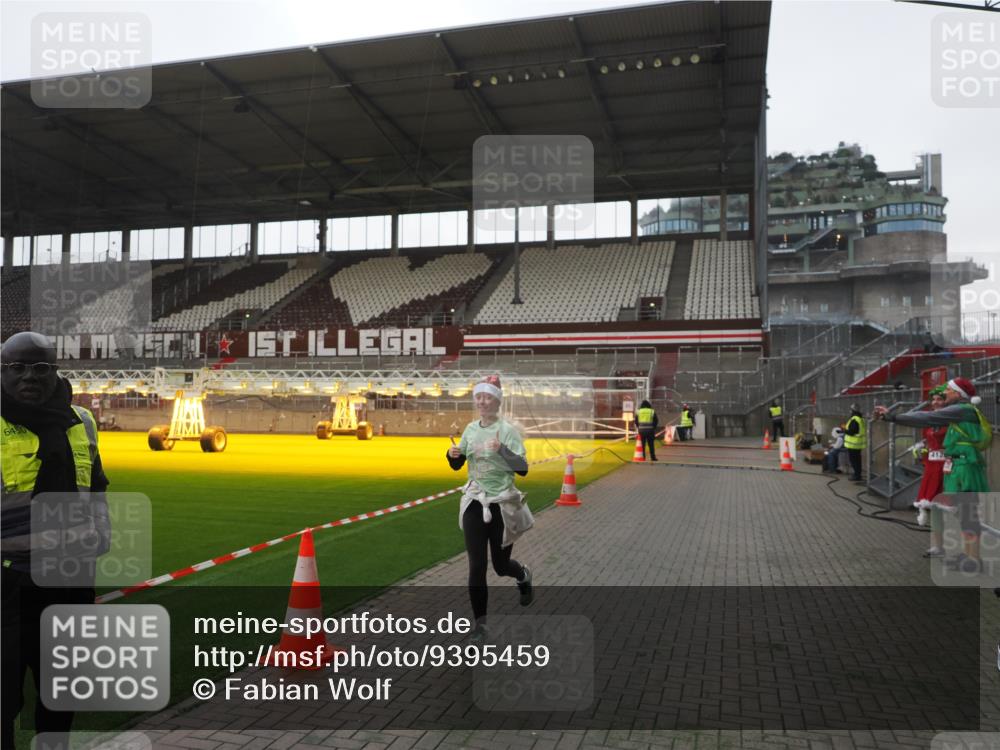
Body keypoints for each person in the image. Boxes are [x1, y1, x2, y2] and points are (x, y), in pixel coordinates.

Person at [1, 331, 110, 750]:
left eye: (42, 367)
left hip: (68, 584)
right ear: (3, 371)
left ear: (56, 372)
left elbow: (95, 484)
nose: (31, 376)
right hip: (7, 588)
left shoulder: (81, 421)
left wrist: (101, 533)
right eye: (18, 367)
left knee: (60, 695)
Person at [446, 375, 533, 640]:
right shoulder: (471, 429)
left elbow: (523, 468)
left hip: (501, 504)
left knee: (500, 565)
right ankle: (480, 627)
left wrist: (502, 450)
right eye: (479, 398)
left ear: (497, 401)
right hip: (475, 500)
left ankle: (522, 575)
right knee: (476, 566)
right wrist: (452, 456)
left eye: (488, 398)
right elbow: (458, 464)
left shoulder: (507, 431)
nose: (483, 402)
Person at [875, 377, 991, 572]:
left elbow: (926, 417)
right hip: (958, 465)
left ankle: (974, 559)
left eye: (948, 390)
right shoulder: (960, 411)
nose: (944, 393)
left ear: (957, 393)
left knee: (968, 513)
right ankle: (970, 555)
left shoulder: (963, 409)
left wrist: (892, 417)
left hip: (965, 466)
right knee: (964, 514)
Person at [911, 386, 948, 555]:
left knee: (947, 507)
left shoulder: (951, 419)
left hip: (948, 468)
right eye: (933, 400)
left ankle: (954, 545)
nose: (935, 402)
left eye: (939, 399)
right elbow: (927, 440)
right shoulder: (929, 421)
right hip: (932, 468)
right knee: (933, 507)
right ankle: (938, 545)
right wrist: (922, 448)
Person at [844, 404, 866, 482]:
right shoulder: (861, 419)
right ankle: (857, 474)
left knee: (854, 460)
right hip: (858, 444)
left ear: (853, 411)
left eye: (851, 410)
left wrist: (844, 430)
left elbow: (852, 432)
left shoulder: (855, 419)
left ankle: (857, 475)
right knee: (857, 460)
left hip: (853, 444)